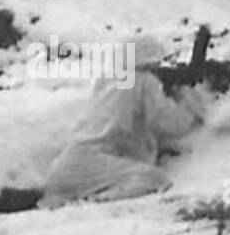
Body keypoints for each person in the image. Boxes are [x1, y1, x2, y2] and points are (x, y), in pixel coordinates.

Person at [40, 35, 207, 207]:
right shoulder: (143, 81)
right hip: (93, 162)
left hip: (67, 164)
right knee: (154, 178)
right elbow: (172, 124)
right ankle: (97, 204)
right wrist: (188, 99)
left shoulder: (107, 80)